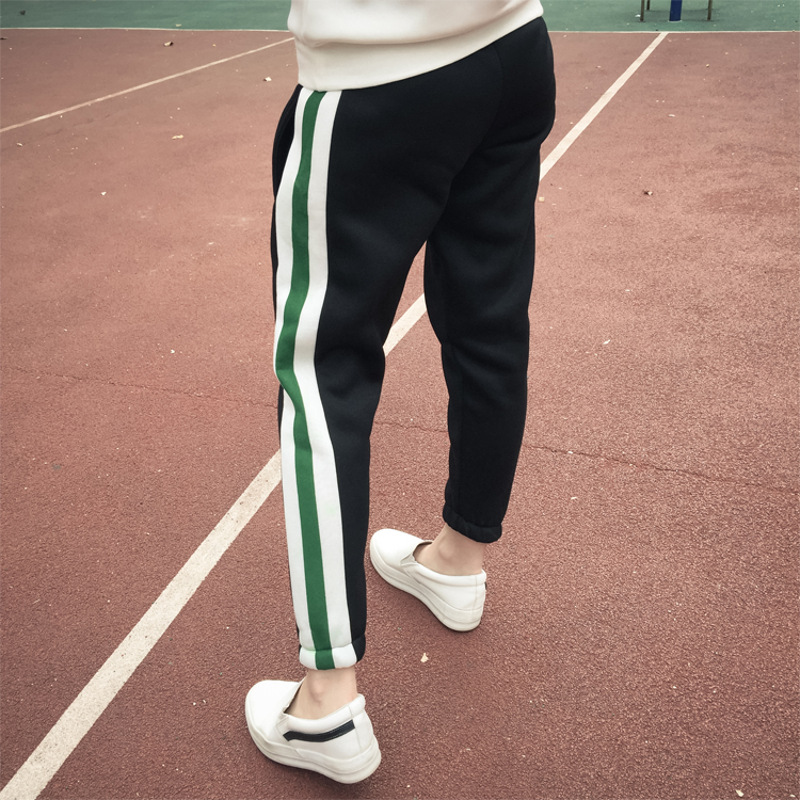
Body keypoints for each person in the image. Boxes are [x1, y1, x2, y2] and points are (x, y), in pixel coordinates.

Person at [245, 0, 556, 784]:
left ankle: (327, 702)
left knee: (322, 371)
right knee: (489, 325)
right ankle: (457, 561)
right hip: (513, 47)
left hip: (376, 74)